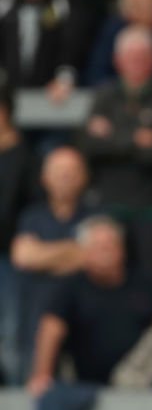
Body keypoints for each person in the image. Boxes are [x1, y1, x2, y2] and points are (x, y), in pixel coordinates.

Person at [27, 216, 152, 410]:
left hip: (141, 385)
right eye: (98, 246)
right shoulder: (70, 287)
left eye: (110, 245)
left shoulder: (145, 286)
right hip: (85, 386)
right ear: (84, 253)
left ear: (122, 249)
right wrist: (42, 374)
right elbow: (51, 328)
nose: (105, 251)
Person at [78, 26, 152, 279]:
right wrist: (137, 137)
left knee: (151, 278)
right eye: (131, 57)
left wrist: (114, 135)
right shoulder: (104, 95)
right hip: (108, 204)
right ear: (117, 61)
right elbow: (88, 146)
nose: (136, 63)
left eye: (143, 57)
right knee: (104, 275)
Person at [10, 147, 92, 386]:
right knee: (30, 381)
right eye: (59, 171)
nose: (65, 177)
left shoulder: (94, 214)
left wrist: (44, 255)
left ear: (85, 176)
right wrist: (71, 252)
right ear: (44, 178)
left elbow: (92, 256)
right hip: (35, 313)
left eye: (71, 171)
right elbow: (23, 256)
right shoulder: (32, 217)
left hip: (83, 320)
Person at [0, 0, 89, 105]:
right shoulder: (7, 2)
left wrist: (64, 78)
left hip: (50, 93)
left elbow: (72, 44)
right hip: (8, 92)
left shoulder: (66, 2)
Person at [0, 90, 34, 384]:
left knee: (12, 334)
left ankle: (14, 396)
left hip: (9, 257)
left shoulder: (24, 157)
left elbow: (29, 209)